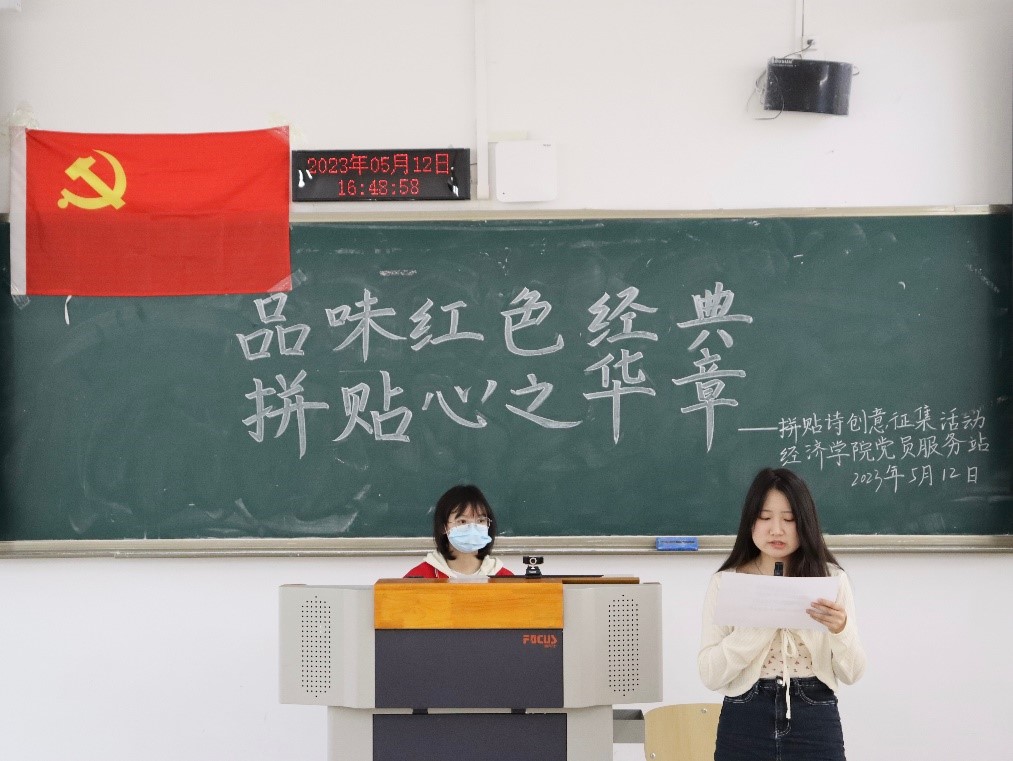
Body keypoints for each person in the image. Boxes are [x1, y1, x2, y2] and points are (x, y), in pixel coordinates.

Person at [698, 467, 866, 761]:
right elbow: (710, 675)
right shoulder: (726, 582)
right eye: (765, 518)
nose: (776, 530)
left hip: (813, 714)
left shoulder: (831, 580)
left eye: (789, 519)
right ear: (750, 521)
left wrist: (841, 630)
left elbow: (852, 673)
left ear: (805, 523)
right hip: (744, 716)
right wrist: (758, 626)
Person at [404, 484, 514, 578]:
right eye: (462, 521)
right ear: (443, 527)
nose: (472, 528)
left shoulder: (505, 579)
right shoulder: (418, 579)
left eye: (480, 520)